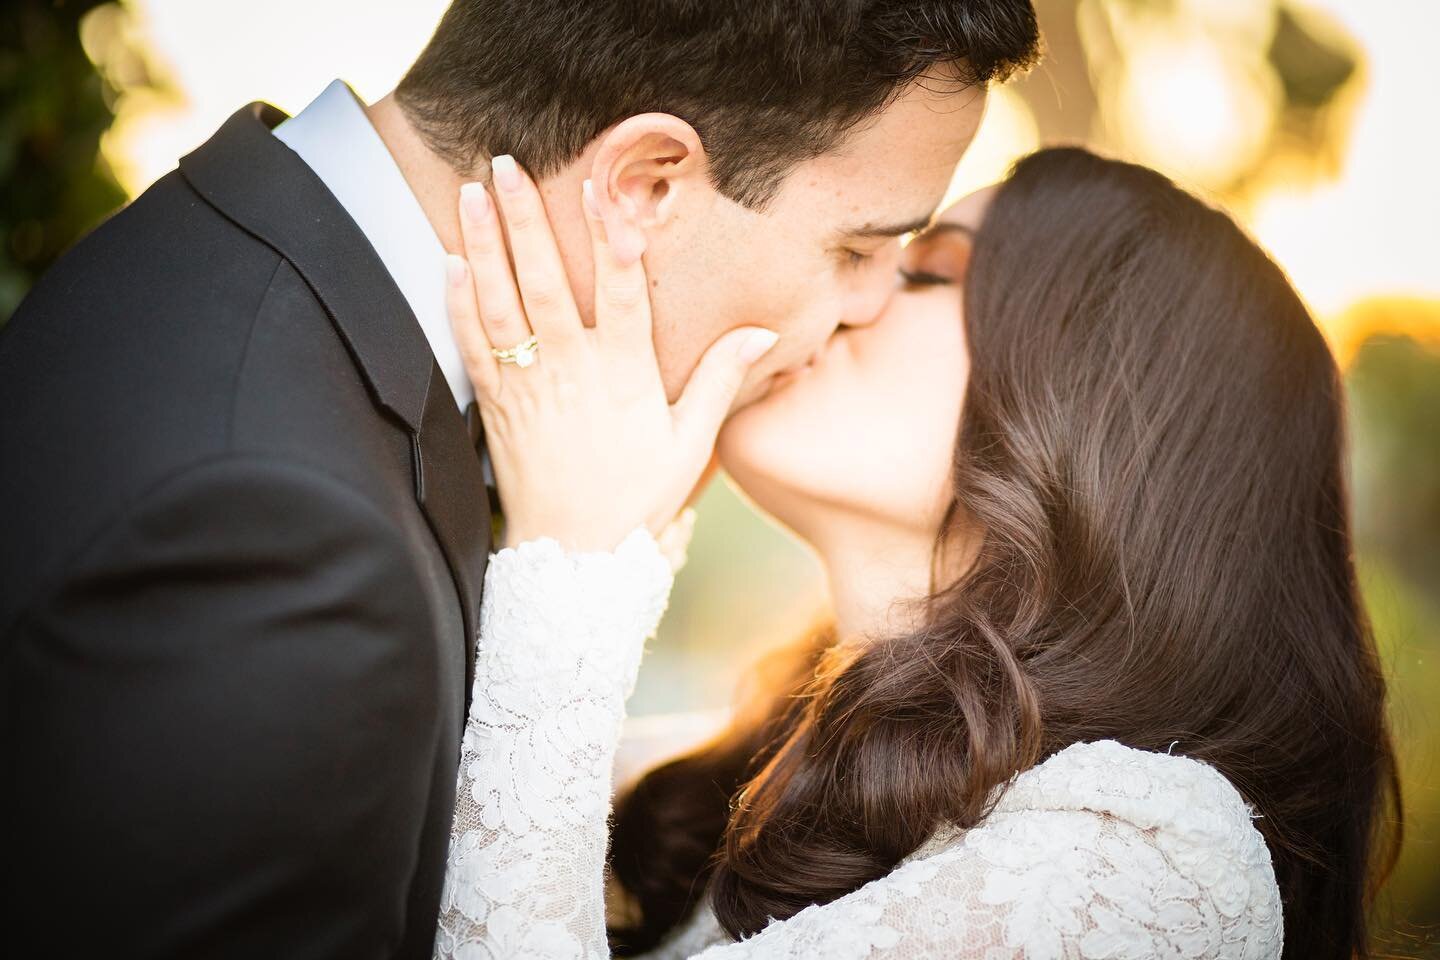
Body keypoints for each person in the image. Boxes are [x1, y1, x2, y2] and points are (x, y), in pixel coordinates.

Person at [0, 2, 1040, 956]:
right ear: (648, 186)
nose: (868, 307)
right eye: (858, 248)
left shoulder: (227, 271)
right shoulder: (281, 530)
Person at [434, 147, 1402, 958]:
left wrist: (575, 548)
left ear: (1098, 410)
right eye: (857, 250)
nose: (845, 292)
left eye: (925, 269)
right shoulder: (768, 768)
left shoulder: (1147, 870)